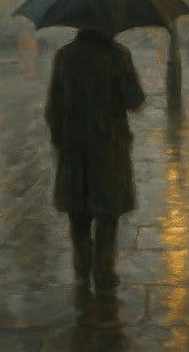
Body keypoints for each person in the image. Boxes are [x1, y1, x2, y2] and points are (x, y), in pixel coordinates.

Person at [44, 28, 146, 292]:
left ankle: (81, 269)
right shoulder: (119, 56)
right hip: (109, 147)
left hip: (74, 148)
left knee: (78, 213)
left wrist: (59, 139)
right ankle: (103, 271)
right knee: (107, 213)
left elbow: (53, 106)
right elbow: (135, 100)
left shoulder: (65, 57)